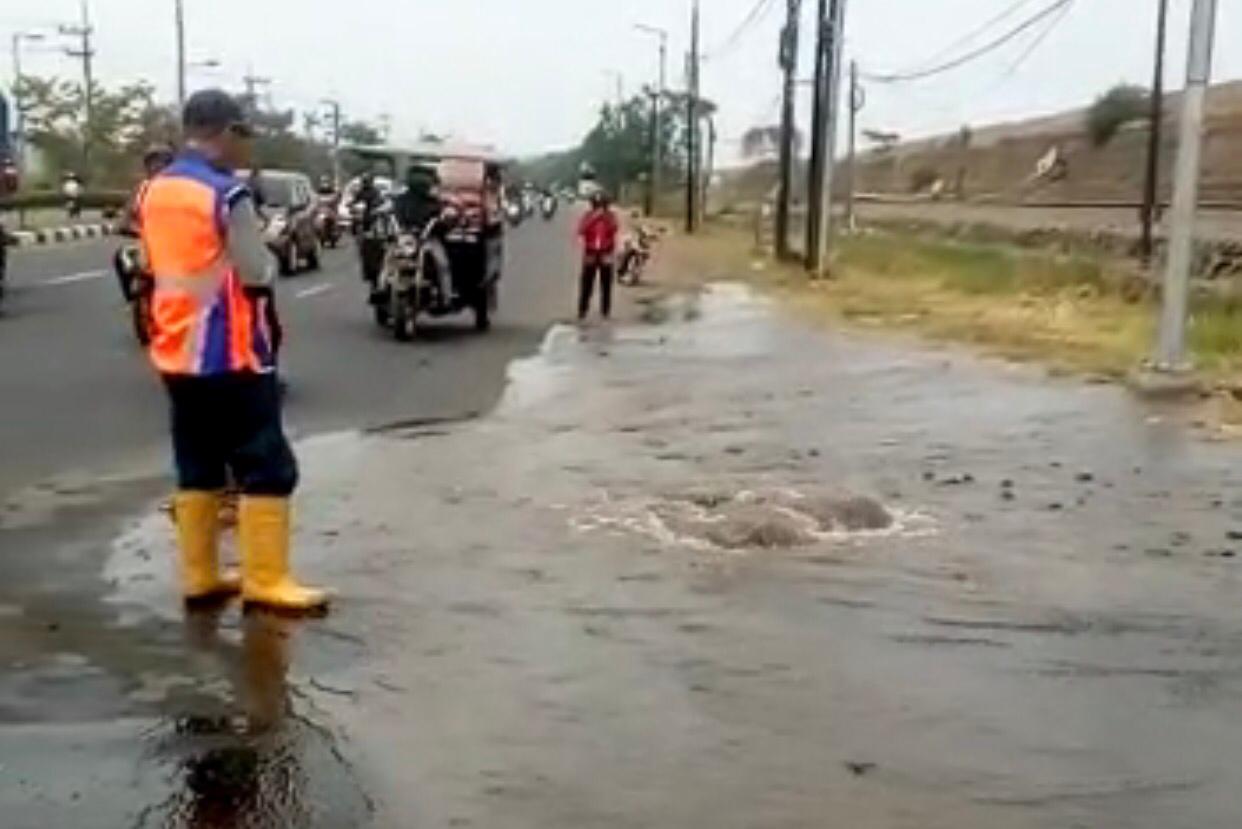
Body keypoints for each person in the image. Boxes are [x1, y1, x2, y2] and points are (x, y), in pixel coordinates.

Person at [138, 89, 328, 612]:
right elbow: (257, 270)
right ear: (224, 133)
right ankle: (266, 579)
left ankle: (200, 576)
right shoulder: (226, 194)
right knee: (265, 463)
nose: (244, 146)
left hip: (175, 347)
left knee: (197, 461)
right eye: (242, 134)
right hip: (231, 348)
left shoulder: (154, 191)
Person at [576, 190, 619, 320]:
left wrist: (604, 217)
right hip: (590, 252)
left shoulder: (611, 216)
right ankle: (582, 310)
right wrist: (595, 218)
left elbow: (614, 228)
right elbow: (581, 230)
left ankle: (605, 310)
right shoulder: (588, 215)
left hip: (606, 251)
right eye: (597, 204)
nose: (599, 206)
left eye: (602, 204)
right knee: (586, 283)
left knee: (606, 284)